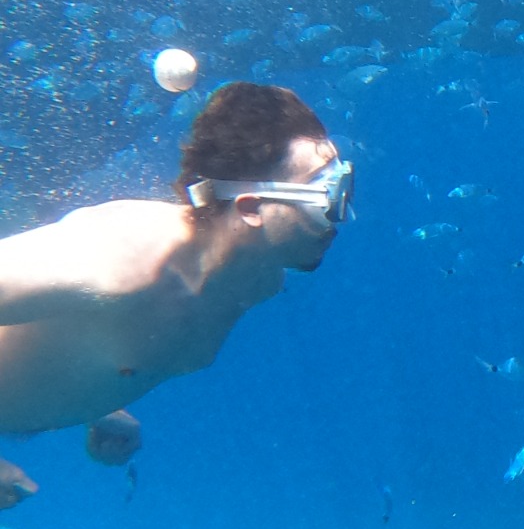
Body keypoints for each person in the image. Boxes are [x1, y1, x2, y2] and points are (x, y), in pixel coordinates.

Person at [0, 81, 351, 447]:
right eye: (324, 197)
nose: (341, 215)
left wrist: (100, 411)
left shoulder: (259, 279)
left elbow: (92, 338)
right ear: (249, 208)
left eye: (343, 186)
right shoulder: (120, 260)